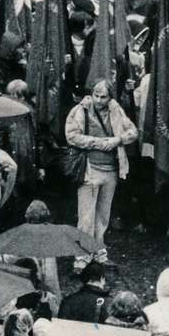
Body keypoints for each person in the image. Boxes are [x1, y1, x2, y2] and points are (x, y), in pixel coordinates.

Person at [66, 80, 139, 268]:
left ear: (109, 97)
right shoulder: (80, 110)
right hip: (90, 168)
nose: (99, 100)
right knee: (86, 216)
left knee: (103, 214)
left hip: (111, 170)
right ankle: (81, 258)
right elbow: (71, 135)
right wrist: (98, 142)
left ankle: (99, 252)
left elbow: (133, 132)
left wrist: (117, 140)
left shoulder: (116, 110)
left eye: (103, 96)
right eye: (96, 95)